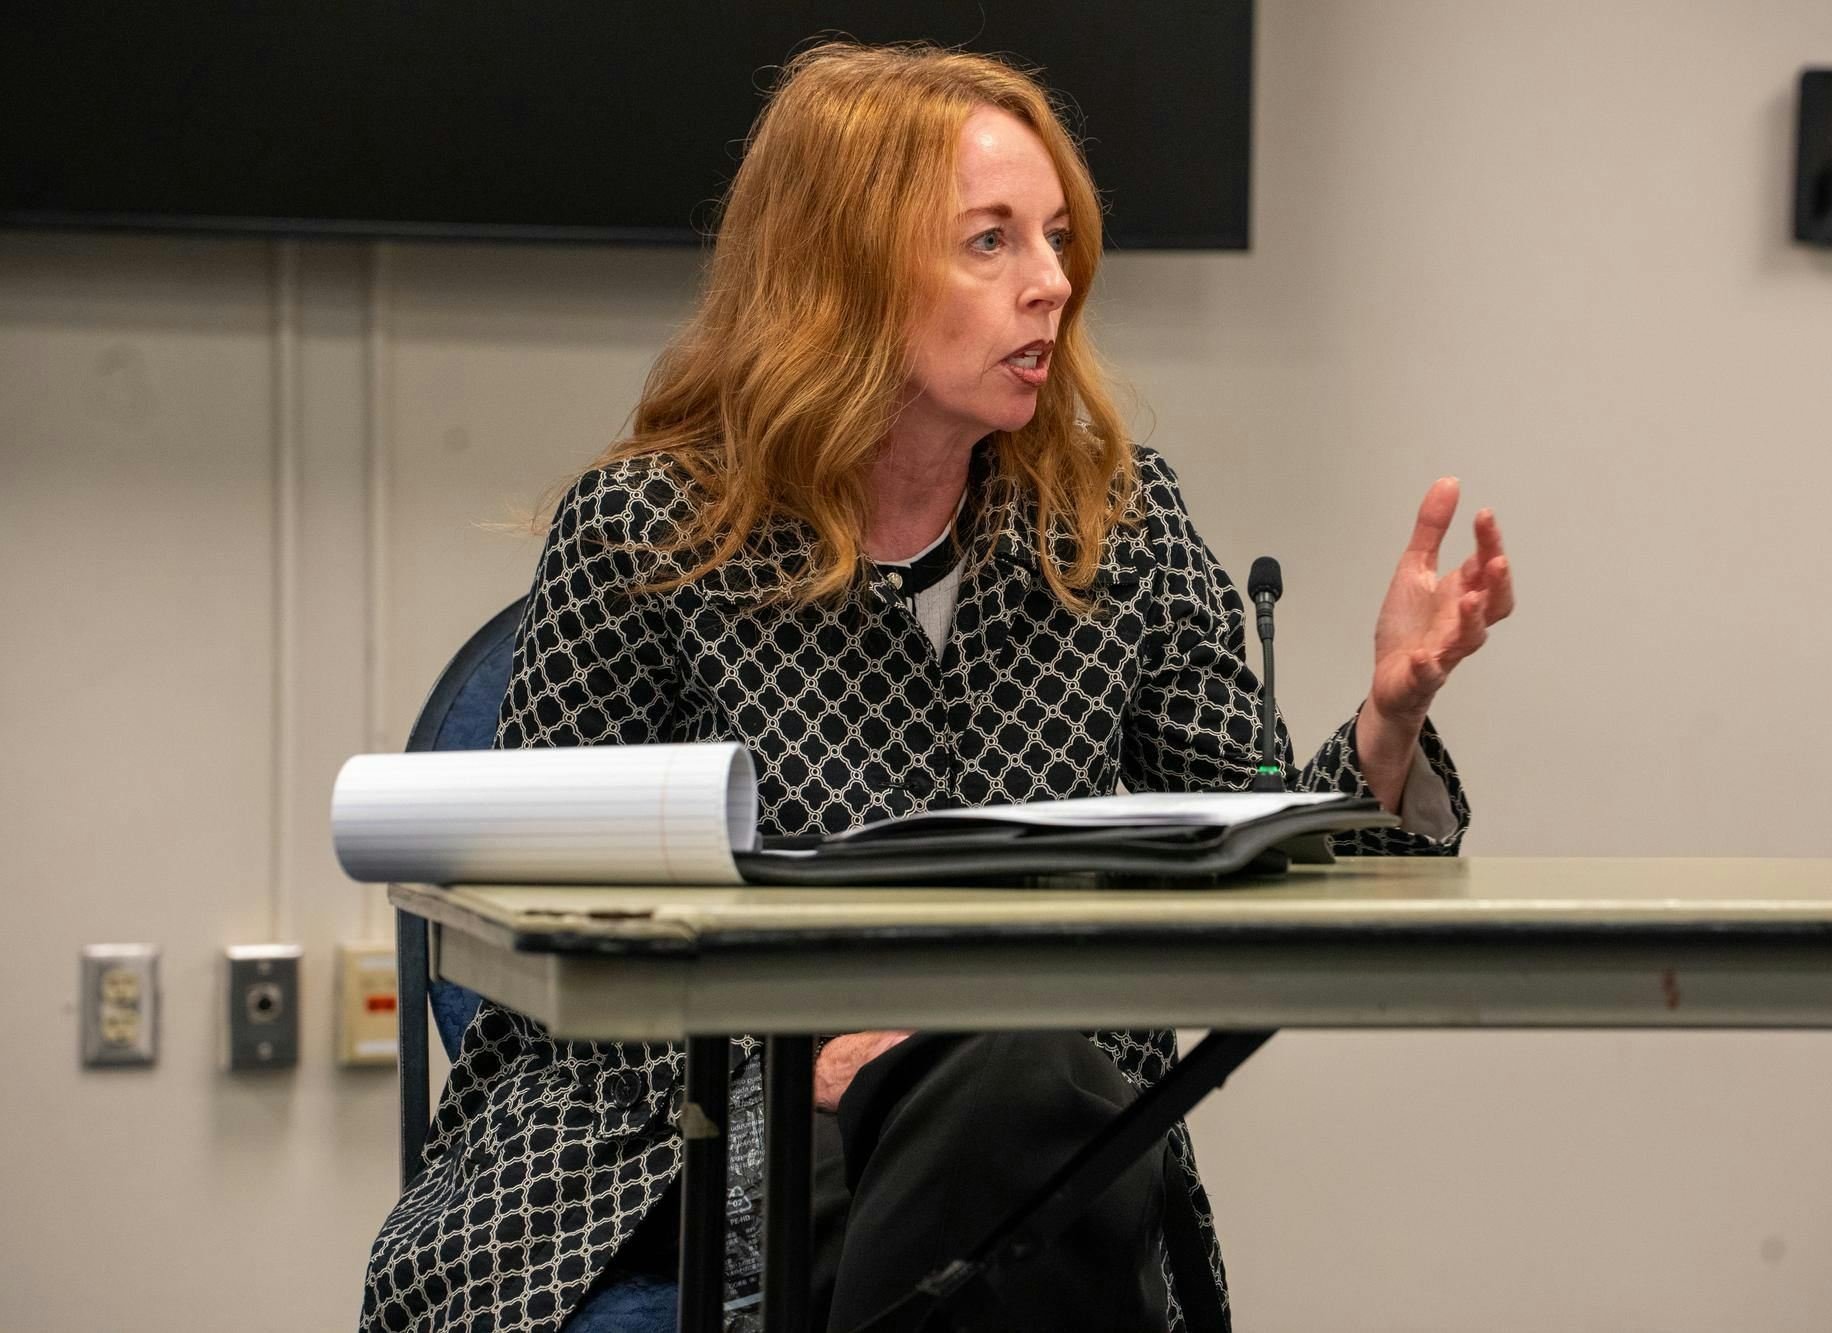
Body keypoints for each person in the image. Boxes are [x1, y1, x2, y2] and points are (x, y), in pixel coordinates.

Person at [360, 40, 1513, 1333]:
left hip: (1045, 1125)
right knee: (1025, 1168)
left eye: (1061, 239)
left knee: (1019, 1095)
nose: (1055, 284)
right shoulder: (650, 535)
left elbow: (1261, 842)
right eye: (993, 242)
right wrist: (807, 1053)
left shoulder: (1114, 528)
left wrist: (1387, 719)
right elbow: (549, 936)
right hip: (717, 1141)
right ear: (845, 271)